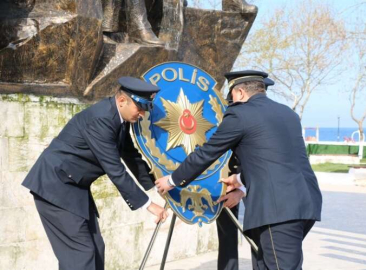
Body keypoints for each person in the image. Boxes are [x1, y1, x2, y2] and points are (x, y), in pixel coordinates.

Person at [155, 70, 322, 270]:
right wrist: (241, 181)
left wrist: (172, 180)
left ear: (241, 92)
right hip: (305, 202)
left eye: (232, 96)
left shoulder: (240, 114)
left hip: (277, 209)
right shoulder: (288, 113)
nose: (231, 102)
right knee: (266, 265)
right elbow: (278, 162)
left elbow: (207, 153)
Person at [22, 76, 168, 270]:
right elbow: (115, 169)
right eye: (139, 107)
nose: (142, 114)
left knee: (96, 249)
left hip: (74, 188)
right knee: (80, 256)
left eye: (145, 109)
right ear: (122, 100)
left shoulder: (119, 118)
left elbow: (130, 154)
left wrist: (157, 186)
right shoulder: (102, 119)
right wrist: (149, 205)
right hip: (55, 187)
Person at [218, 76, 275, 270]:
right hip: (223, 180)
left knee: (261, 237)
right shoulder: (230, 113)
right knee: (227, 235)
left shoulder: (267, 117)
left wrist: (241, 189)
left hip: (251, 183)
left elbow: (264, 160)